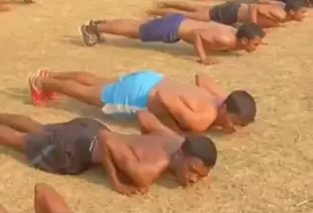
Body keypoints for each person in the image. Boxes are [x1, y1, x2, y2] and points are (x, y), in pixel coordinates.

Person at [0, 102, 217, 195]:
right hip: (79, 147)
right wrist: (116, 181)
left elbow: (145, 117)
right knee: (22, 142)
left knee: (39, 128)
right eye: (193, 171)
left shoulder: (173, 138)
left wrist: (139, 143)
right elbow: (107, 140)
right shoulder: (148, 171)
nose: (193, 179)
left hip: (87, 127)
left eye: (199, 176)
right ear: (181, 155)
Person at [28, 68, 257, 135]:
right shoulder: (202, 120)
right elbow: (164, 98)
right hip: (140, 94)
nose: (234, 128)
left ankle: (53, 75)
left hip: (152, 77)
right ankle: (40, 82)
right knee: (88, 95)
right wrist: (175, 129)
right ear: (225, 109)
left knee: (97, 81)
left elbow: (201, 77)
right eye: (235, 122)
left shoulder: (217, 98)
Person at [79, 16, 264, 64]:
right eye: (255, 44)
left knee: (138, 26)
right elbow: (198, 34)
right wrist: (203, 57)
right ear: (244, 40)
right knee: (135, 31)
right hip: (173, 29)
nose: (257, 47)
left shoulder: (234, 33)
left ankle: (100, 24)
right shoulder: (226, 39)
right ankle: (93, 28)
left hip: (177, 22)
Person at [147, 0, 307, 28]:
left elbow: (261, 0)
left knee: (195, 9)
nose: (304, 15)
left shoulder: (282, 10)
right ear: (292, 12)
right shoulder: (280, 14)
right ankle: (155, 11)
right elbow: (255, 7)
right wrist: (251, 25)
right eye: (302, 12)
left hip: (234, 10)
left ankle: (164, 4)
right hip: (232, 12)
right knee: (191, 16)